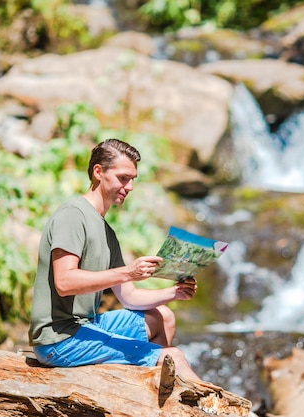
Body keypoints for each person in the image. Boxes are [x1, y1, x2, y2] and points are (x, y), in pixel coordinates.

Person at [28, 138, 201, 381]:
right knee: (175, 357)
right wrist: (128, 272)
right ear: (98, 172)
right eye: (123, 178)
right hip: (59, 340)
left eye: (132, 179)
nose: (129, 186)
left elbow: (129, 297)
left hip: (87, 326)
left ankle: (145, 387)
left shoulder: (107, 232)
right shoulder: (72, 216)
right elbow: (64, 282)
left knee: (162, 317)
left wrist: (175, 292)